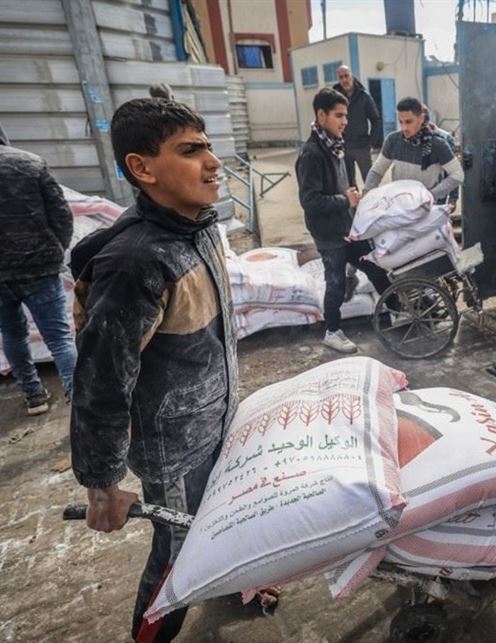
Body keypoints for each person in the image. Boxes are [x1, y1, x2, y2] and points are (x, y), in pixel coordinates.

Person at [69, 98, 276, 641]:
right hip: (174, 448)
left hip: (216, 418)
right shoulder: (136, 262)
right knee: (179, 552)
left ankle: (233, 582)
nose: (213, 161)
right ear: (143, 168)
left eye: (208, 146)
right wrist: (102, 485)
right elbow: (100, 385)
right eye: (190, 151)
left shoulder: (198, 227)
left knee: (224, 518)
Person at [297, 88, 393, 354]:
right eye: (339, 115)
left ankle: (398, 309)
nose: (345, 121)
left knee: (375, 267)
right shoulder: (312, 154)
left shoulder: (336, 146)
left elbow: (345, 184)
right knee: (336, 282)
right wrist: (345, 200)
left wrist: (355, 201)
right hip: (329, 234)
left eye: (346, 116)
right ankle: (332, 332)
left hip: (347, 227)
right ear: (321, 115)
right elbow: (310, 201)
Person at [0, 122, 76, 415]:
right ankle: (77, 402)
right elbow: (62, 214)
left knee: (12, 335)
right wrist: (57, 249)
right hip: (40, 266)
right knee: (59, 337)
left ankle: (34, 397)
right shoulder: (31, 163)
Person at [364, 96, 464, 202]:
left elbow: (458, 174)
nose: (404, 128)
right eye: (401, 122)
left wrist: (432, 195)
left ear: (421, 118)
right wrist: (367, 194)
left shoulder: (438, 145)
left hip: (426, 205)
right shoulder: (393, 140)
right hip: (400, 203)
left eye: (409, 122)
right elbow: (377, 172)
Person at [333, 65, 382, 187]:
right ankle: (353, 200)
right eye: (341, 77)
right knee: (348, 183)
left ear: (352, 76)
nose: (344, 80)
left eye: (346, 76)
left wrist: (371, 142)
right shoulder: (334, 98)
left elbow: (376, 119)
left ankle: (372, 199)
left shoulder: (364, 96)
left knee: (370, 181)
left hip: (362, 147)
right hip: (343, 147)